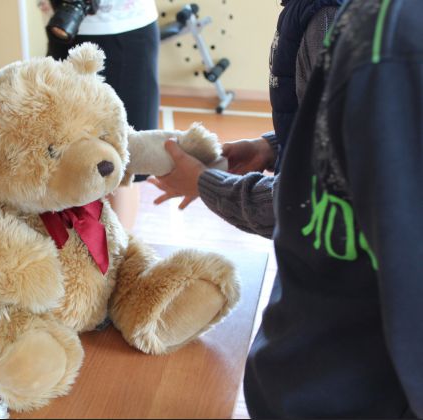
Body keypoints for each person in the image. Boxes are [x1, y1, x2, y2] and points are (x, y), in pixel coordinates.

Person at [158, 0, 423, 416]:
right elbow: (341, 132)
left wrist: (207, 184)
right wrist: (274, 145)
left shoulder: (345, 29)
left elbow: (306, 202)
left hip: (337, 376)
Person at [150, 0, 341, 239]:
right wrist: (271, 148)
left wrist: (207, 184)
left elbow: (312, 201)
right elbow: (330, 134)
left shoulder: (327, 23)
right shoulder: (313, 14)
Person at [43, 0, 160, 230]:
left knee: (122, 158)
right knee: (64, 150)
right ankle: (79, 246)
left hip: (126, 30)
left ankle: (118, 249)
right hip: (66, 28)